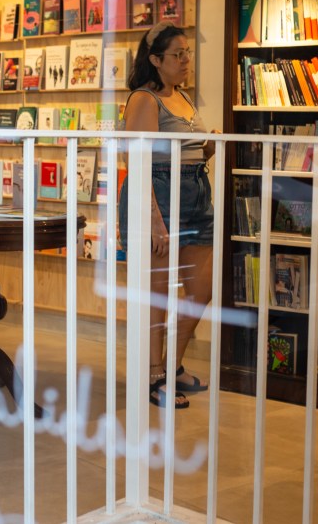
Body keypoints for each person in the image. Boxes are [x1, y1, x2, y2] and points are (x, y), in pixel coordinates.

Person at [119, 21, 217, 409]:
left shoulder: (184, 97)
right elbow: (136, 160)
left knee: (202, 290)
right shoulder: (144, 99)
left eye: (187, 52)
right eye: (178, 54)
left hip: (195, 194)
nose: (186, 60)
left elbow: (191, 151)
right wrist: (154, 220)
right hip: (159, 195)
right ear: (156, 60)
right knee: (157, 296)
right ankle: (153, 375)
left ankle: (172, 366)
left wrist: (208, 148)